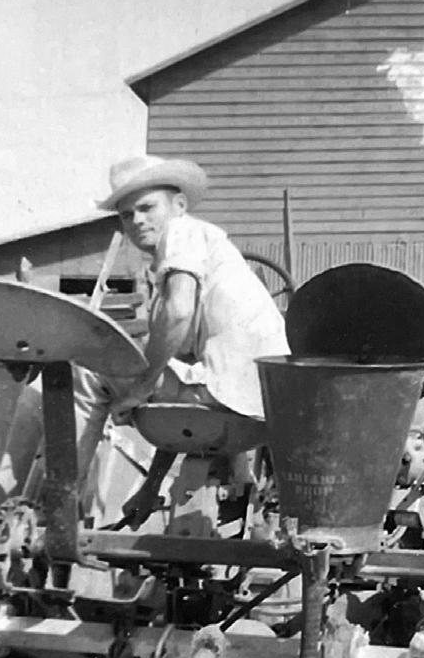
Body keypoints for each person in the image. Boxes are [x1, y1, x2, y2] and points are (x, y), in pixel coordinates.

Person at [74, 154, 289, 529]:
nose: (137, 221)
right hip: (258, 408)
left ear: (179, 206)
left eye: (147, 208)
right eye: (126, 215)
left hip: (229, 395)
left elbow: (177, 314)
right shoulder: (205, 252)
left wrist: (141, 387)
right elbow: (182, 388)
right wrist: (151, 487)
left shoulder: (182, 233)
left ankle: (61, 503)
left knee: (85, 369)